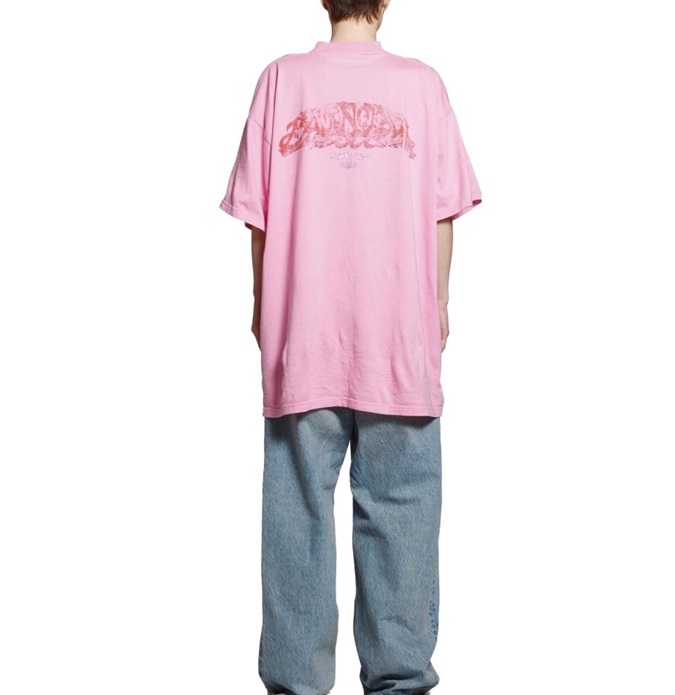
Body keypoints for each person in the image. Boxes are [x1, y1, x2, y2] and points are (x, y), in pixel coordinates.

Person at [218, 1, 482, 693]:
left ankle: (296, 682)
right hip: (399, 338)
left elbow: (257, 219)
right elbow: (443, 212)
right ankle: (399, 678)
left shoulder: (281, 79)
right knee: (401, 509)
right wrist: (439, 305)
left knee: (297, 511)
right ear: (386, 0)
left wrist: (262, 306)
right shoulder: (422, 85)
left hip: (304, 335)